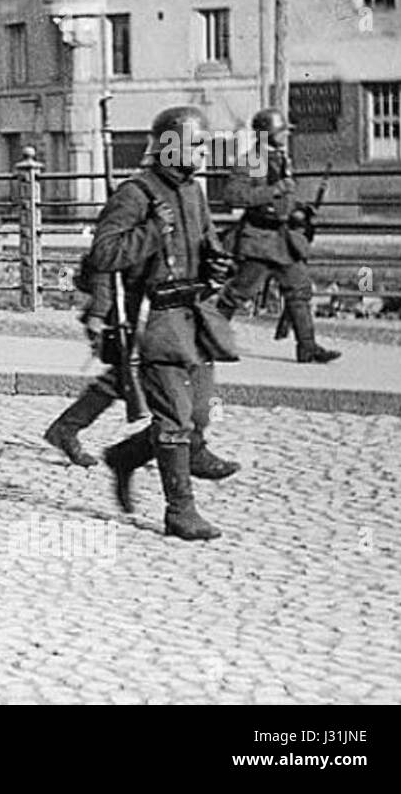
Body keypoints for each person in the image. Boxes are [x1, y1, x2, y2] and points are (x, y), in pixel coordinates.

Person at [90, 106, 237, 541]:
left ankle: (125, 456)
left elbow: (206, 239)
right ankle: (181, 513)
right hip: (156, 321)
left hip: (196, 319)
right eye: (195, 144)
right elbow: (103, 254)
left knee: (198, 411)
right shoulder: (136, 194)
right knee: (174, 418)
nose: (202, 153)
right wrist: (153, 232)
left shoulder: (193, 191)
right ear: (170, 146)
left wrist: (217, 260)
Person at [42, 267, 239, 481]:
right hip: (146, 310)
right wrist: (99, 311)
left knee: (130, 378)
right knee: (143, 380)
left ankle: (82, 435)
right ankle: (173, 453)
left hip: (180, 309)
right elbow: (105, 257)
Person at [216, 108, 339, 363]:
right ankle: (211, 341)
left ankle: (307, 347)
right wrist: (275, 190)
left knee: (299, 290)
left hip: (284, 240)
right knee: (239, 293)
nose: (286, 135)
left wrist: (299, 210)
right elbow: (234, 195)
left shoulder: (282, 159)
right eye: (281, 130)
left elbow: (284, 198)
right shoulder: (252, 159)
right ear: (267, 133)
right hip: (259, 240)